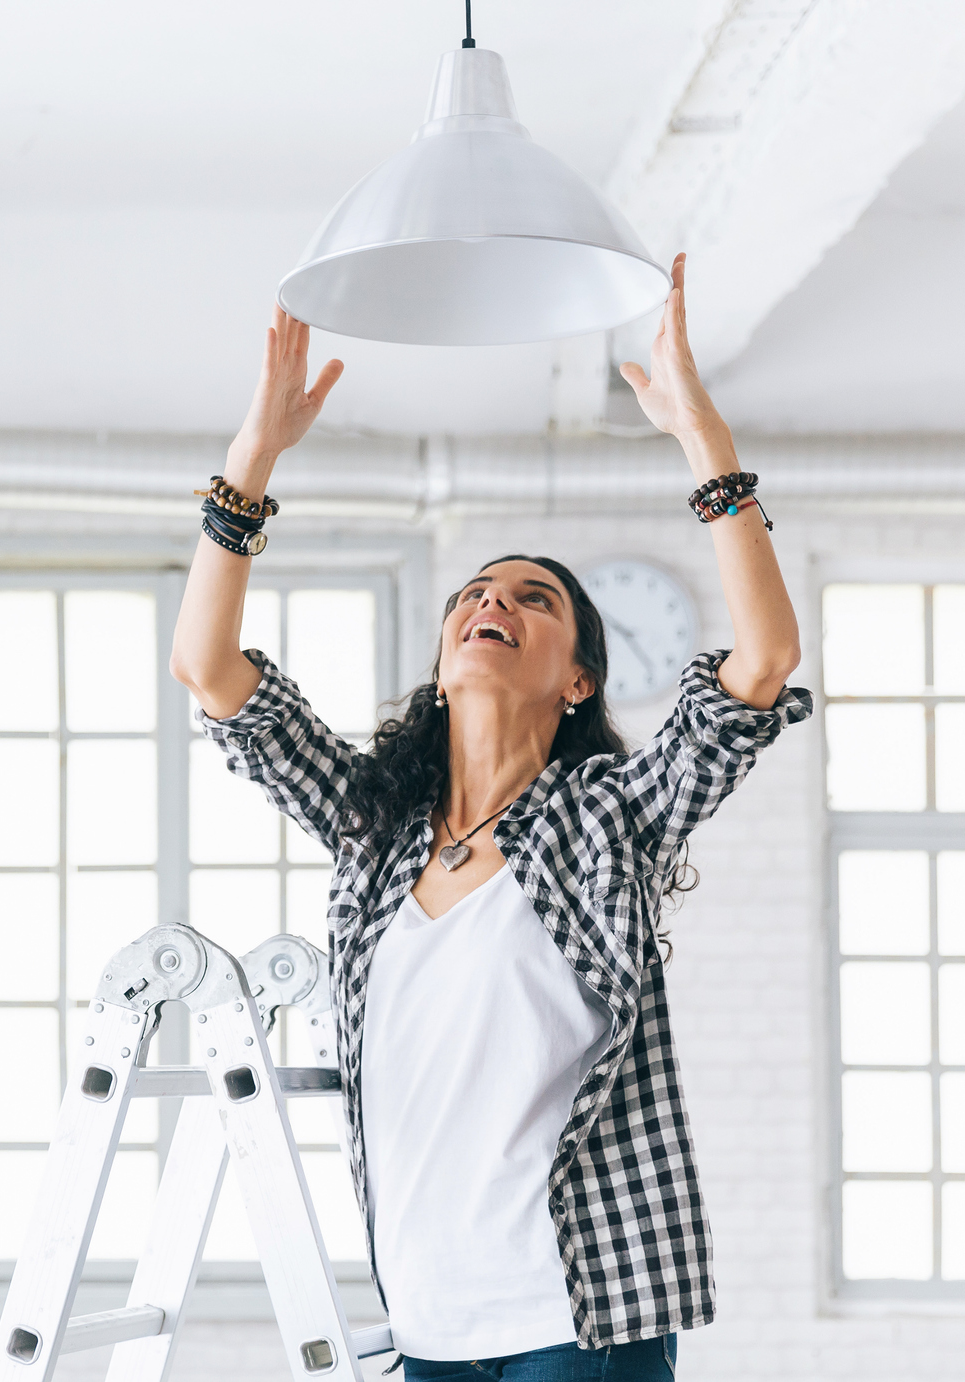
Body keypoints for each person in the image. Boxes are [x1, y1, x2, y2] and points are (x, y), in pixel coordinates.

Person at [170, 255, 811, 1382]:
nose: (491, 602)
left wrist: (702, 443)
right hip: (426, 1317)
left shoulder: (605, 817)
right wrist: (250, 461)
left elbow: (759, 663)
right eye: (474, 590)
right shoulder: (375, 829)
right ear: (441, 656)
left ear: (575, 679)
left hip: (571, 1304)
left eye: (532, 597)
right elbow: (208, 668)